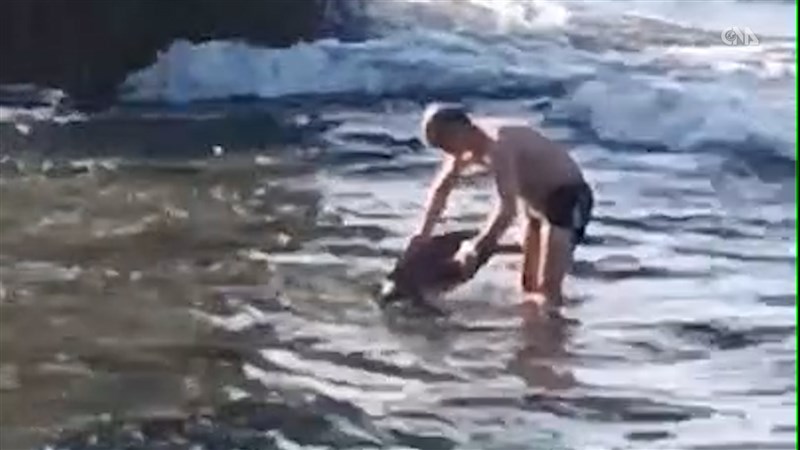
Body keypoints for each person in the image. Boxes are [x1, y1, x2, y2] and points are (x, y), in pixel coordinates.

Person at [410, 103, 593, 311]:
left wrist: (477, 246)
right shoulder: (464, 148)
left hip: (568, 197)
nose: (445, 151)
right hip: (534, 206)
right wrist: (421, 235)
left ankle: (555, 337)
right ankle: (534, 338)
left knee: (547, 290)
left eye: (443, 142)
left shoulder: (497, 143)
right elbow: (441, 189)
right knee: (529, 286)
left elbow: (507, 209)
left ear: (460, 129)